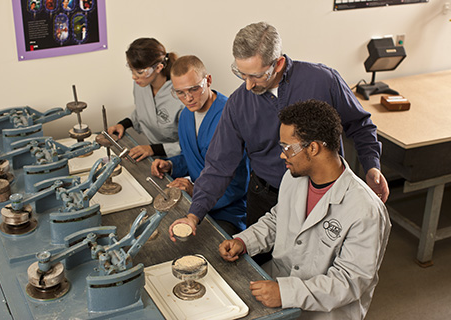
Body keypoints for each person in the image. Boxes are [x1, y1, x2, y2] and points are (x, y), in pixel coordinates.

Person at [176, 22, 389, 247]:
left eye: (256, 76)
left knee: (320, 265)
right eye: (241, 74)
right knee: (260, 265)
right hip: (266, 198)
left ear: (278, 63)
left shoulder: (323, 80)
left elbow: (360, 124)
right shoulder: (238, 104)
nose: (248, 86)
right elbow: (219, 166)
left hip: (325, 196)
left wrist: (372, 165)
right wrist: (194, 214)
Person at [219, 99, 391, 319]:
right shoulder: (294, 178)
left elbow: (349, 282)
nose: (282, 155)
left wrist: (286, 293)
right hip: (279, 288)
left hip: (325, 312)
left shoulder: (364, 209)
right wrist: (244, 241)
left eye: (287, 148)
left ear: (313, 147)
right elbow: (276, 219)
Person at [150, 55, 249, 236]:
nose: (188, 98)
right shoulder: (186, 116)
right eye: (180, 92)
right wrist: (171, 165)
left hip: (228, 210)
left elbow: (239, 180)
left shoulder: (229, 116)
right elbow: (196, 159)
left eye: (194, 89)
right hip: (196, 202)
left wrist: (196, 190)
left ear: (208, 80)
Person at [107, 38, 184, 161]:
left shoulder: (182, 96)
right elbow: (144, 110)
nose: (134, 76)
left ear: (158, 68)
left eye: (139, 72)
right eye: (131, 70)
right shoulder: (141, 85)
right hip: (154, 156)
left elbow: (193, 144)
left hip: (180, 159)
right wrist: (123, 124)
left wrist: (152, 149)